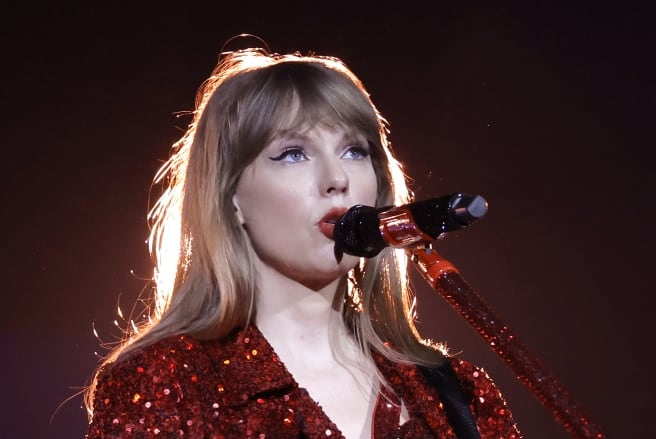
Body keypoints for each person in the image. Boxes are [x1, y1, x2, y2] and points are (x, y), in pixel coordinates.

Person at [85, 45, 521, 438]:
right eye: (293, 154)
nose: (337, 179)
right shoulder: (166, 386)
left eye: (355, 151)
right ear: (230, 197)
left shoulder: (461, 395)